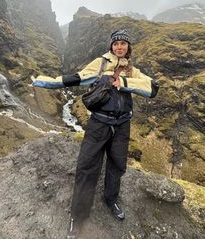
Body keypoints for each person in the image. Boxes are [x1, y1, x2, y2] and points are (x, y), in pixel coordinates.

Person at [33, 29, 159, 238]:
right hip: (99, 124)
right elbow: (75, 78)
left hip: (122, 125)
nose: (120, 47)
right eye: (116, 43)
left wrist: (126, 83)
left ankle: (111, 199)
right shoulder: (100, 64)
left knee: (117, 165)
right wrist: (44, 80)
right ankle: (78, 216)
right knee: (87, 167)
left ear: (128, 47)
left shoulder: (131, 69)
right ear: (111, 46)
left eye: (123, 44)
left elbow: (153, 87)